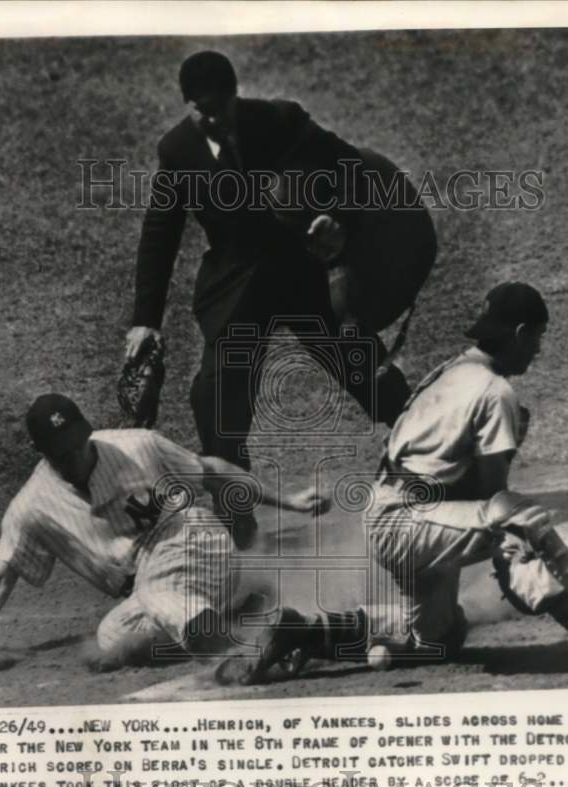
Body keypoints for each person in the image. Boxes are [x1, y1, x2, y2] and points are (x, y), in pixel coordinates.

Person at [239, 282, 568, 683]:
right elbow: (492, 496)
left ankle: (305, 631)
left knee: (436, 642)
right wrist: (511, 553)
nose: (538, 350)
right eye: (538, 338)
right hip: (409, 522)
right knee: (519, 518)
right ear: (520, 333)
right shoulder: (496, 393)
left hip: (393, 512)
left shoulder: (450, 371)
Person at [124, 50, 411, 546]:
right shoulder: (177, 149)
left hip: (301, 275)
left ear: (235, 95)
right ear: (186, 105)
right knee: (215, 398)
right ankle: (240, 521)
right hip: (237, 289)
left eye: (219, 108)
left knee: (364, 367)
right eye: (199, 110)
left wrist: (335, 217)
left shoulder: (279, 119)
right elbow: (160, 232)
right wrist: (145, 319)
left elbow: (350, 165)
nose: (210, 120)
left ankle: (431, 459)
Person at [0, 393, 330, 679]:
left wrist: (289, 502)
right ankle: (242, 613)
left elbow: (212, 472)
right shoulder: (31, 507)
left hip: (191, 538)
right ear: (40, 451)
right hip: (170, 583)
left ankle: (245, 655)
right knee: (113, 638)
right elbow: (0, 580)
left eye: (79, 443)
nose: (77, 456)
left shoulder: (138, 445)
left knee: (156, 593)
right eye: (63, 453)